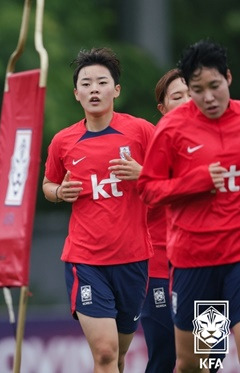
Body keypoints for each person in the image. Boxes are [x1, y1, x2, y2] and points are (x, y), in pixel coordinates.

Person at [42, 47, 154, 372]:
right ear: (76, 93)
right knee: (104, 354)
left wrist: (141, 174)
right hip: (86, 260)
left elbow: (169, 178)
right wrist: (60, 192)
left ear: (116, 90)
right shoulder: (63, 141)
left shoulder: (141, 132)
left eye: (102, 82)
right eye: (86, 84)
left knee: (118, 356)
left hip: (133, 259)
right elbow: (48, 186)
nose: (94, 89)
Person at [138, 39, 240, 373]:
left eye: (215, 86)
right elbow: (149, 190)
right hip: (196, 261)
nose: (208, 97)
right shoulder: (172, 129)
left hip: (237, 256)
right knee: (199, 363)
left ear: (228, 77)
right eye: (198, 90)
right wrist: (197, 181)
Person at [141, 68, 190, 373]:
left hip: (207, 263)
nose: (186, 101)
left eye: (190, 93)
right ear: (163, 108)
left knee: (208, 356)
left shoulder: (222, 141)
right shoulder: (151, 142)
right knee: (165, 355)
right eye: (177, 96)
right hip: (159, 262)